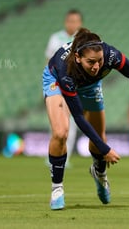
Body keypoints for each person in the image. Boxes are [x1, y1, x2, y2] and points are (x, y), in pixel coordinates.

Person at [43, 27, 129, 210]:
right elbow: (78, 116)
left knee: (99, 137)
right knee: (61, 132)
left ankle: (99, 172)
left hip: (91, 85)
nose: (96, 66)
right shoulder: (65, 70)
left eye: (99, 61)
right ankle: (57, 189)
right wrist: (106, 150)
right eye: (91, 62)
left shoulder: (110, 55)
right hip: (56, 82)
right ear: (78, 57)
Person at [45, 9, 83, 166]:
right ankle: (53, 154)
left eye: (75, 21)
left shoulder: (84, 39)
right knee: (55, 121)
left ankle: (64, 156)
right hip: (56, 84)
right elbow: (48, 61)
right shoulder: (56, 38)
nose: (72, 24)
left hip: (75, 85)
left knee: (72, 121)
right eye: (70, 20)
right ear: (65, 22)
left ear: (80, 23)